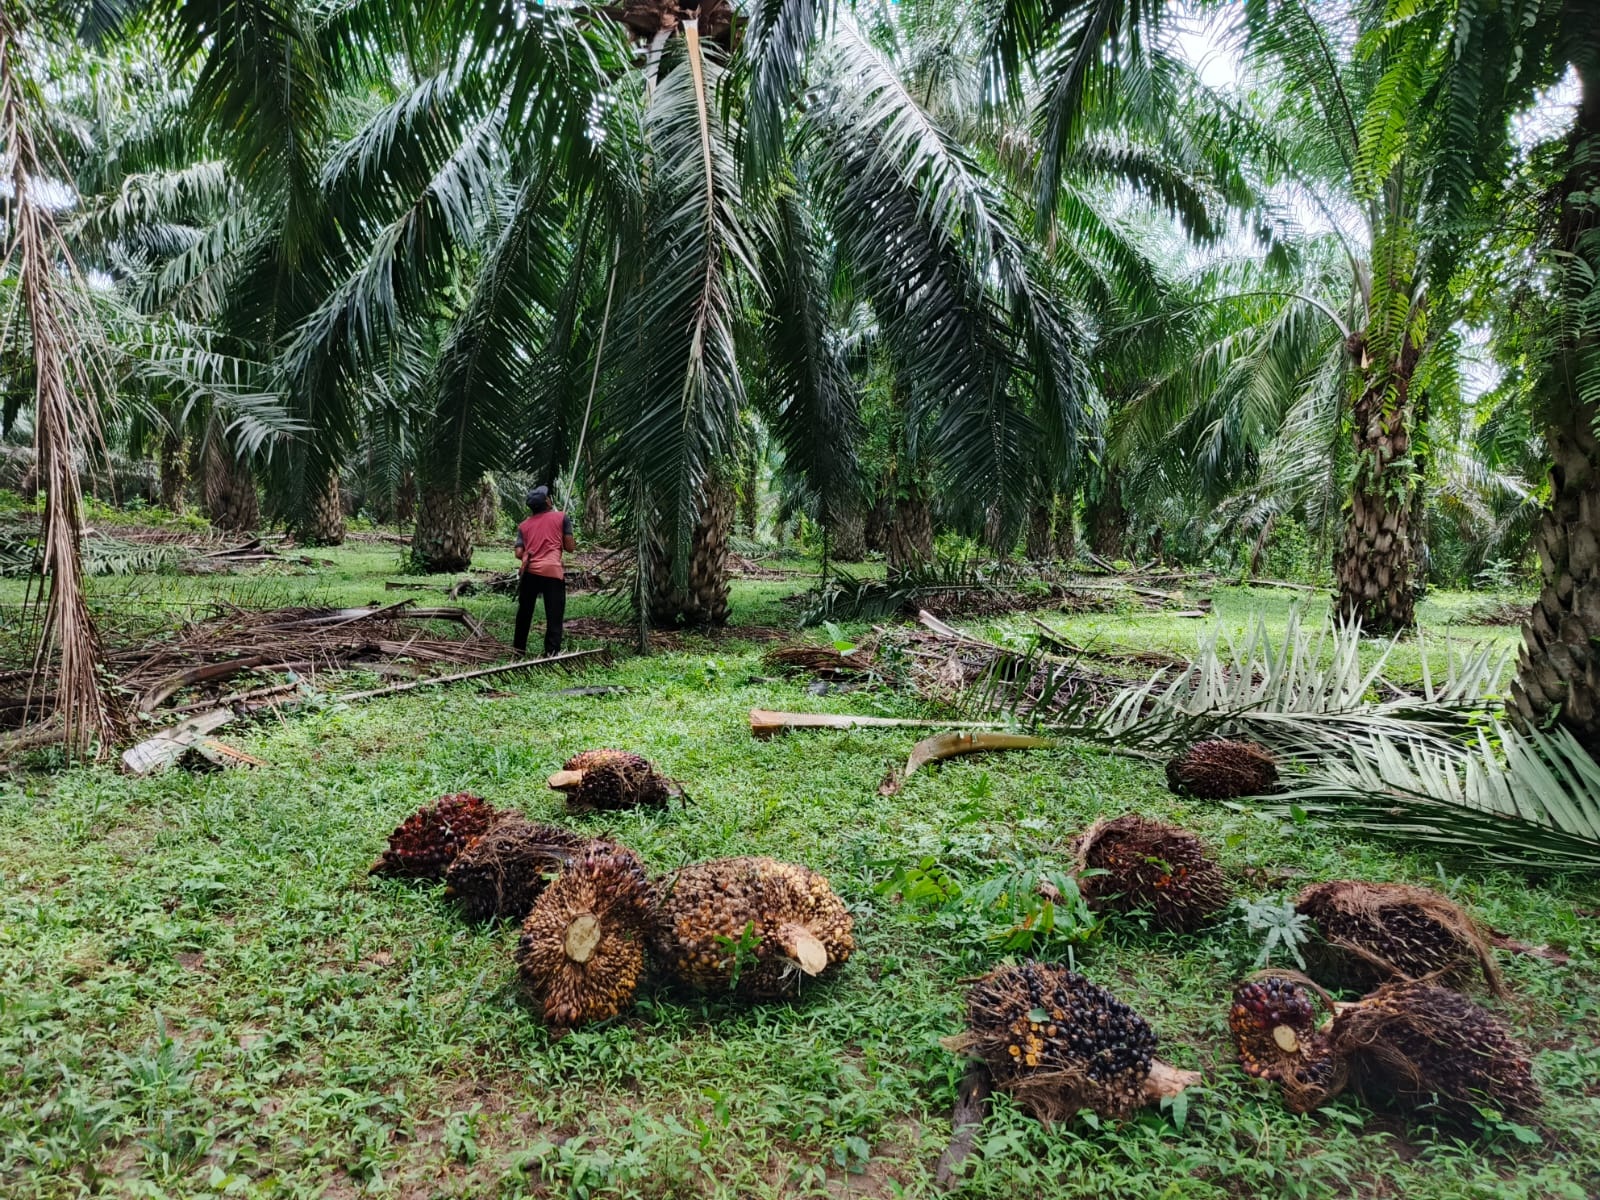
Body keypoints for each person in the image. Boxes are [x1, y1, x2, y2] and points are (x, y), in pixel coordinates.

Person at [513, 486, 575, 656]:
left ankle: (518, 650)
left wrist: (530, 552)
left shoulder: (524, 526)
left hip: (530, 572)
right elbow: (570, 547)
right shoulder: (561, 517)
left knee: (524, 613)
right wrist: (560, 537)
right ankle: (551, 653)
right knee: (554, 615)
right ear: (547, 502)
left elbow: (518, 552)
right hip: (552, 572)